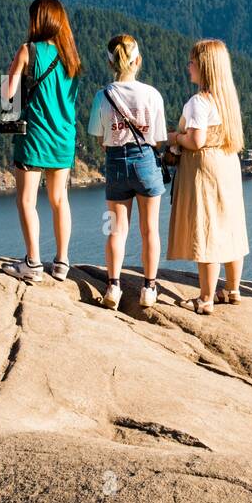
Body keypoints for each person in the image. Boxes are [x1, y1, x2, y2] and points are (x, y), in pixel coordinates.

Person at [0, 0, 81, 285]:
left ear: (38, 20)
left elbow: (7, 95)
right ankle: (62, 262)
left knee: (26, 200)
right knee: (60, 200)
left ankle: (32, 261)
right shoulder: (70, 56)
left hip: (34, 136)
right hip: (63, 137)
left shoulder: (28, 51)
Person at [167, 38, 249, 314]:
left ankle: (205, 298)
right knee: (230, 225)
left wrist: (173, 138)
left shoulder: (198, 102)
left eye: (191, 62)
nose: (187, 66)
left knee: (207, 228)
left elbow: (196, 141)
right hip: (227, 163)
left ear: (204, 67)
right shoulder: (228, 99)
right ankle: (233, 289)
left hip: (204, 168)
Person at [87, 34, 168, 310]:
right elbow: (157, 138)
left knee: (115, 230)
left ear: (110, 63)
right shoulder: (152, 94)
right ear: (138, 61)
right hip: (145, 160)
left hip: (116, 163)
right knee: (150, 230)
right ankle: (149, 287)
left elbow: (99, 137)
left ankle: (113, 286)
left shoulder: (103, 95)